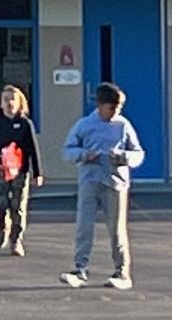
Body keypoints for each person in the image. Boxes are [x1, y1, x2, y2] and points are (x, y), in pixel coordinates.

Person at [60, 81, 144, 291]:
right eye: (112, 106)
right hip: (90, 181)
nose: (116, 111)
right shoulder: (84, 125)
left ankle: (122, 272)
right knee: (84, 226)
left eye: (119, 107)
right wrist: (84, 155)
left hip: (115, 184)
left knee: (117, 230)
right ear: (100, 105)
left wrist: (123, 157)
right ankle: (79, 269)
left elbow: (138, 154)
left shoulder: (123, 126)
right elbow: (68, 150)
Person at [0, 84, 45, 257]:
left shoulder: (25, 124)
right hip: (1, 171)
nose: (10, 102)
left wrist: (38, 173)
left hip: (20, 171)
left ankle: (16, 239)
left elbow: (33, 149)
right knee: (1, 203)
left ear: (20, 102)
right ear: (1, 103)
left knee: (18, 206)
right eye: (6, 99)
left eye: (13, 99)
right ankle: (3, 227)